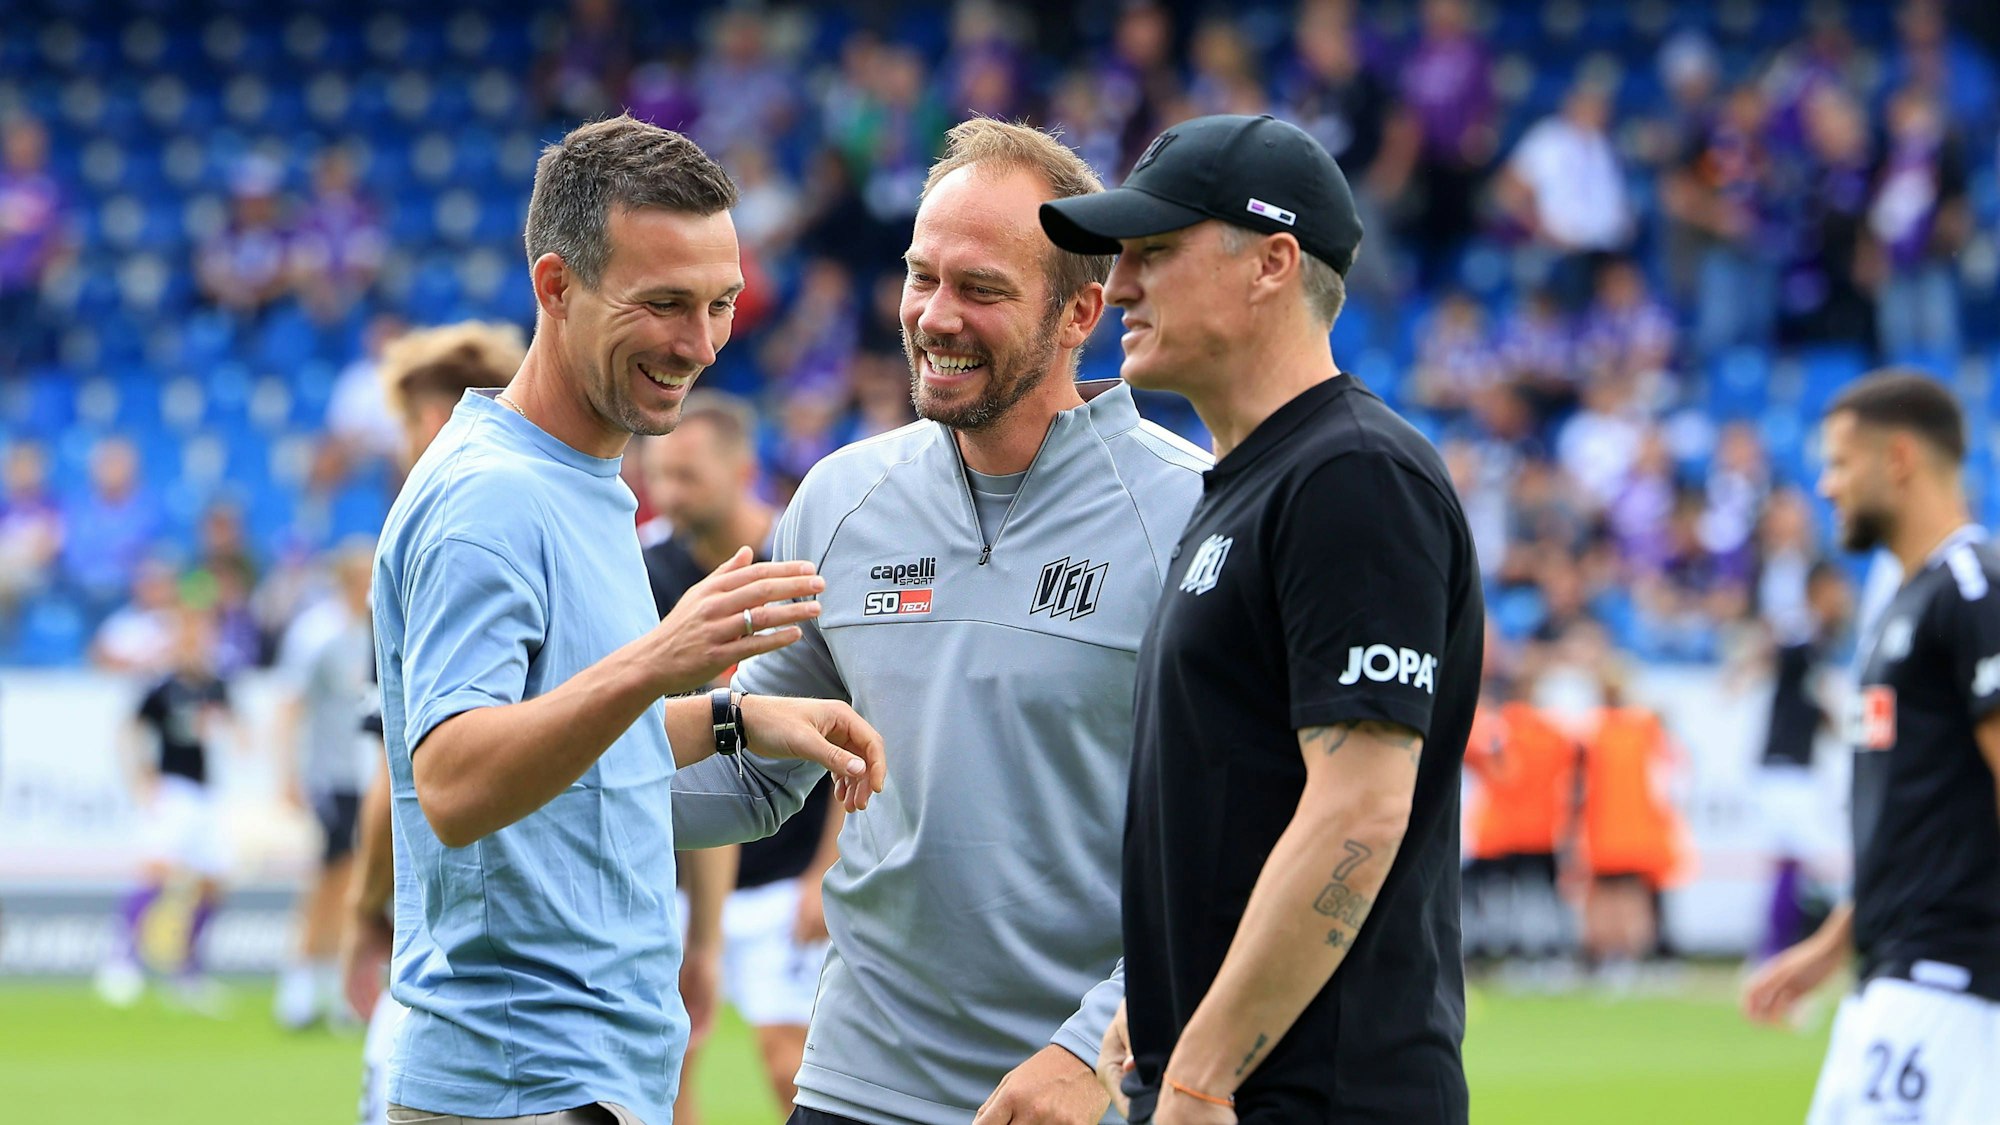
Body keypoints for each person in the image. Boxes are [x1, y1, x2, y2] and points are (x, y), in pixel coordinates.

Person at [372, 115, 884, 1125]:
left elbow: (562, 757)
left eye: (719, 304)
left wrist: (728, 722)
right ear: (555, 288)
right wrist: (661, 660)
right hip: (522, 1084)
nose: (696, 345)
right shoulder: (492, 499)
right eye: (662, 305)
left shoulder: (581, 478)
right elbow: (456, 782)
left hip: (583, 1076)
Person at [699, 117, 1208, 1125]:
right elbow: (749, 774)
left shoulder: (1193, 517)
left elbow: (1243, 840)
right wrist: (569, 744)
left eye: (980, 289)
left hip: (1086, 1092)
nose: (934, 316)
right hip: (857, 1083)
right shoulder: (843, 495)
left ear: (1078, 314)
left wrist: (1094, 1047)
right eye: (920, 276)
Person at [1042, 113, 1484, 1123]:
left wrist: (1202, 1070)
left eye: (1153, 253)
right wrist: (1161, 1015)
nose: (1116, 288)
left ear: (1271, 264)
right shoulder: (1250, 483)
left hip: (1309, 1092)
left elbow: (1358, 810)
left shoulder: (1351, 477)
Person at [1744, 371, 2000, 1122]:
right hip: (1890, 982)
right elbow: (1921, 822)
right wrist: (1831, 946)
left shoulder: (1972, 591)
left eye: (1840, 462)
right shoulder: (1907, 602)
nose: (1825, 485)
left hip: (1950, 993)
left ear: (1898, 460)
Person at [340, 320, 530, 1125]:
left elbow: (402, 777)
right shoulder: (552, 514)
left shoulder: (436, 539)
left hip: (451, 946)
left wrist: (362, 911)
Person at [637, 393, 836, 1121]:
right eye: (657, 475)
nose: (666, 494)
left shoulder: (803, 561)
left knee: (795, 1068)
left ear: (742, 468)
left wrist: (827, 869)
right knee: (666, 1067)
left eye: (685, 475)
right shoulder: (642, 572)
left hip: (789, 867)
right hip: (679, 869)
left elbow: (854, 717)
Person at [94, 607, 242, 1014]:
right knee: (156, 871)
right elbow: (129, 729)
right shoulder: (163, 687)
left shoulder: (216, 686)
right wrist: (141, 778)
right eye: (190, 635)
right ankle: (122, 961)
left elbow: (239, 730)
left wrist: (234, 732)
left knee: (212, 881)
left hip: (206, 793)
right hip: (173, 790)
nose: (197, 643)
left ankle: (187, 971)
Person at [273, 539, 378, 1031]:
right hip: (331, 775)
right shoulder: (318, 635)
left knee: (357, 879)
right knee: (330, 878)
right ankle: (299, 982)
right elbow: (290, 706)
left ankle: (341, 985)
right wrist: (288, 774)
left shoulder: (376, 628)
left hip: (367, 773)